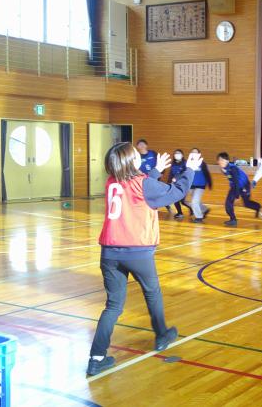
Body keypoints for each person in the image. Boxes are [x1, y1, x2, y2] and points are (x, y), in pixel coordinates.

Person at [87, 142, 202, 376]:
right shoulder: (144, 184)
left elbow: (138, 188)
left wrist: (156, 171)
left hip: (109, 251)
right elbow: (176, 192)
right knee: (152, 292)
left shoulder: (112, 182)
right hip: (136, 250)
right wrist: (190, 169)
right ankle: (161, 335)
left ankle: (96, 358)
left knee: (113, 306)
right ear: (132, 161)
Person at [217, 152, 261, 226]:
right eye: (219, 160)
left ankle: (257, 207)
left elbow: (236, 181)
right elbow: (230, 177)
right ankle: (233, 219)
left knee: (246, 203)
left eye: (222, 160)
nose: (220, 162)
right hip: (234, 186)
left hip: (244, 185)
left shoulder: (233, 168)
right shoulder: (224, 168)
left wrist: (237, 195)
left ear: (227, 161)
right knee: (228, 203)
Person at [187, 148, 212, 223]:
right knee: (193, 200)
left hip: (200, 186)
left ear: (199, 154)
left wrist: (210, 183)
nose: (194, 154)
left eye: (195, 152)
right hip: (191, 186)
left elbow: (207, 174)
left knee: (194, 201)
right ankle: (204, 209)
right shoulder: (188, 163)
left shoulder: (202, 163)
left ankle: (199, 217)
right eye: (192, 152)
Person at [168, 149, 192, 219]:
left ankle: (191, 208)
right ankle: (180, 213)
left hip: (184, 185)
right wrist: (169, 182)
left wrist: (177, 177)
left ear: (182, 155)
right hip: (175, 185)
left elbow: (186, 173)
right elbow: (171, 174)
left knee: (182, 201)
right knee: (175, 199)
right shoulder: (173, 164)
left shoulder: (185, 163)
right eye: (176, 153)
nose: (177, 155)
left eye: (179, 153)